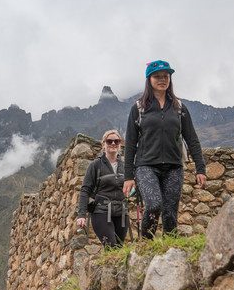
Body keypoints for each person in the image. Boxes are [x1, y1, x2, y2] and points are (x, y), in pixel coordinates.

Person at [123, 60, 206, 239]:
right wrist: (128, 176)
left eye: (166, 76)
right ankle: (146, 242)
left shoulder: (179, 108)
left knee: (170, 214)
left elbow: (191, 138)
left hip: (174, 167)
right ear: (149, 79)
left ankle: (170, 250)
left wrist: (201, 168)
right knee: (153, 205)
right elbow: (130, 144)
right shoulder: (138, 108)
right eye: (157, 76)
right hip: (146, 166)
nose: (162, 79)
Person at [76, 130, 129, 247]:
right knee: (111, 246)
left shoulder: (125, 166)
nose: (113, 143)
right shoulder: (95, 165)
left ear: (120, 144)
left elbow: (132, 186)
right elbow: (85, 190)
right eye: (110, 141)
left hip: (122, 212)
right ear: (103, 144)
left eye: (117, 141)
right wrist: (81, 215)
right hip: (101, 211)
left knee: (119, 249)